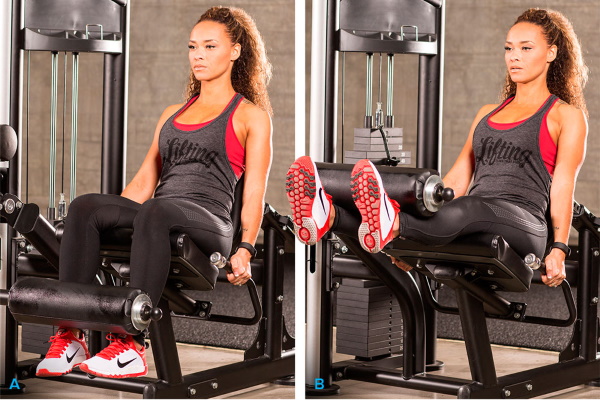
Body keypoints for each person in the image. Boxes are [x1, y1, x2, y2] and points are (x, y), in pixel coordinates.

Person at [36, 6, 273, 379]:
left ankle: (130, 346)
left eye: (210, 46)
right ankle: (70, 334)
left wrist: (246, 247)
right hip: (160, 215)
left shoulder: (249, 116)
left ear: (235, 51)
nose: (198, 55)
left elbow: (254, 191)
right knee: (86, 207)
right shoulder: (172, 114)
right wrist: (106, 222)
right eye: (193, 47)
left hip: (210, 224)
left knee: (156, 211)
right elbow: (144, 184)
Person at [287, 8, 587, 288]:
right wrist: (417, 230)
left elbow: (562, 187)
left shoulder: (564, 115)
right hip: (473, 218)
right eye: (509, 48)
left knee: (469, 206)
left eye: (526, 48)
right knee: (419, 200)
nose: (514, 57)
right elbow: (456, 181)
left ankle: (394, 225)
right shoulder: (487, 113)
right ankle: (331, 214)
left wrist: (560, 247)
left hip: (525, 226)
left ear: (551, 53)